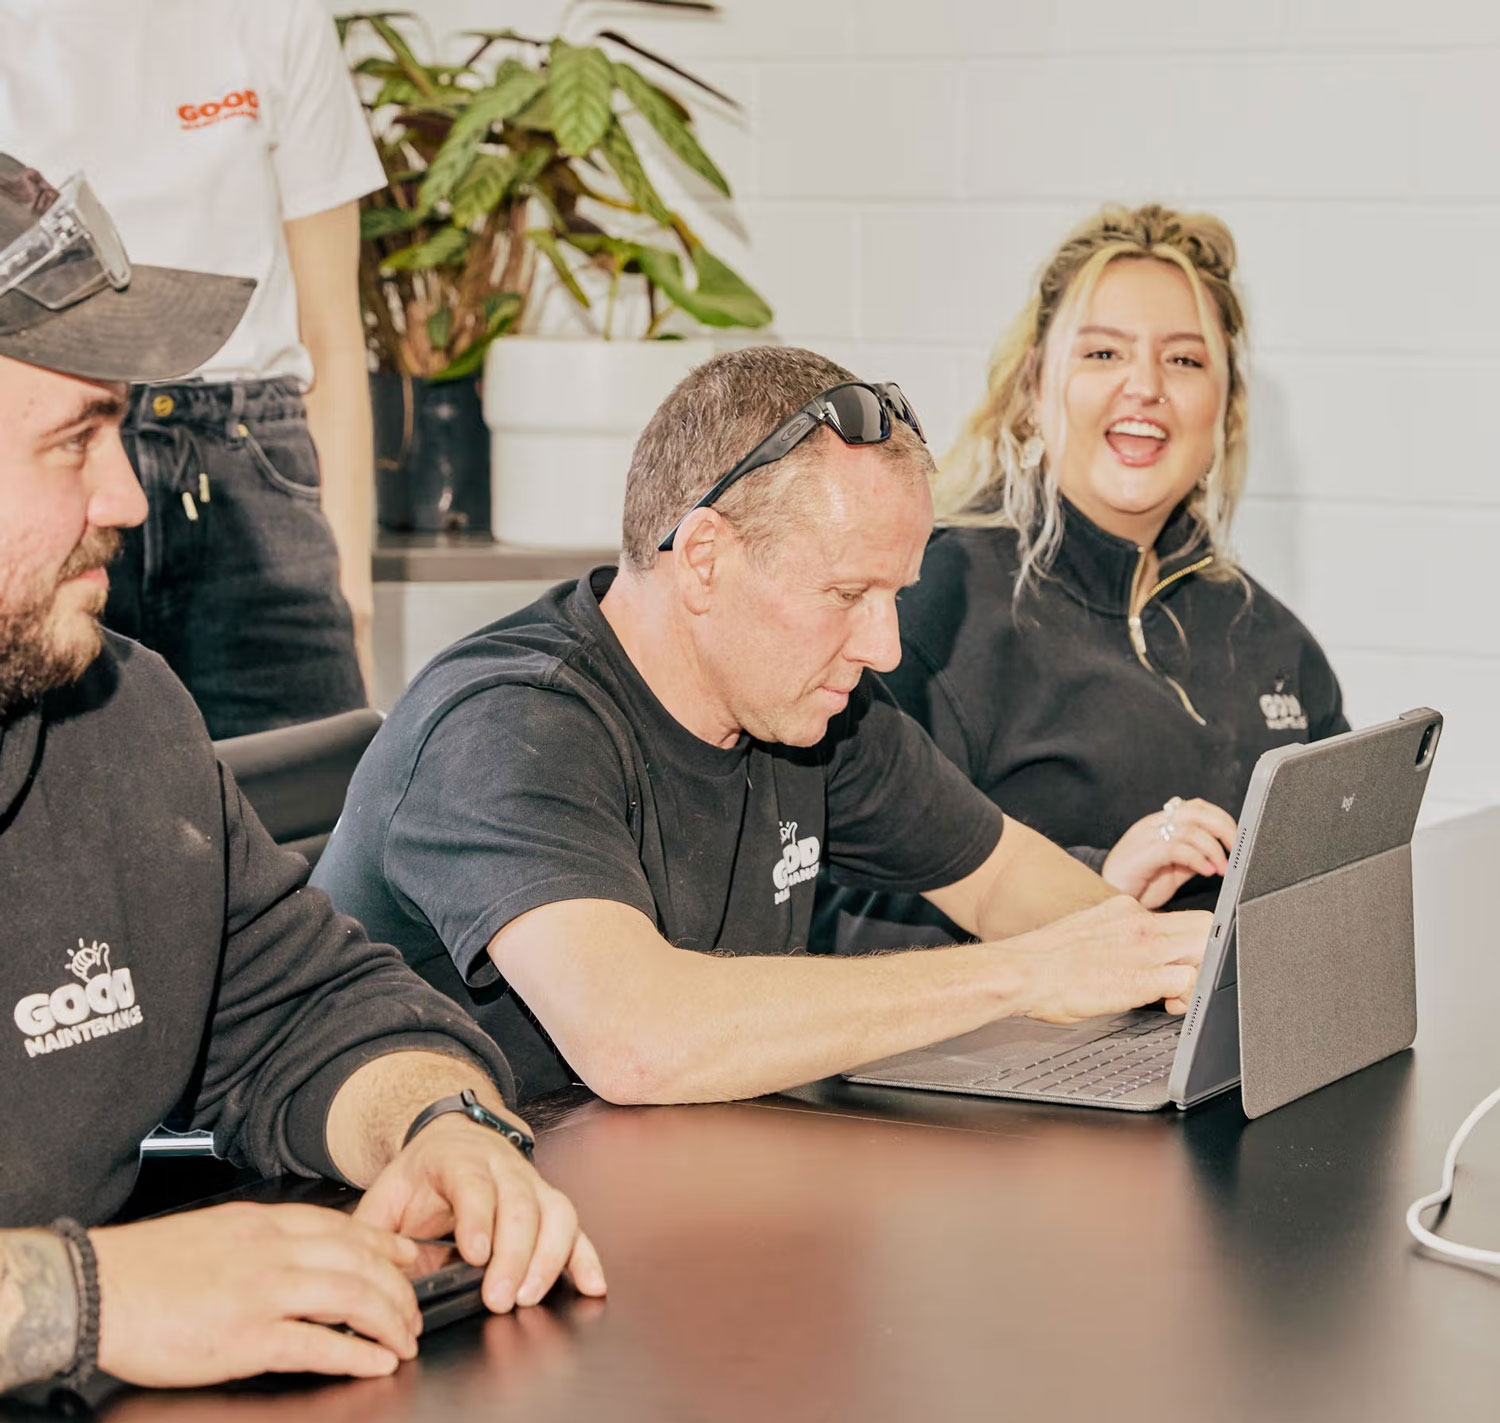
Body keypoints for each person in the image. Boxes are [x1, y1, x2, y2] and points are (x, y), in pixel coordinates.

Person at [0, 156, 604, 1400]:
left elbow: (302, 1006)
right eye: (73, 442)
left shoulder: (120, 716)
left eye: (122, 429)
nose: (126, 496)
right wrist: (94, 1300)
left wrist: (439, 1126)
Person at [312, 346, 1210, 1109]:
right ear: (704, 558)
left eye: (893, 596)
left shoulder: (815, 708)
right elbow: (639, 1039)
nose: (886, 646)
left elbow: (1000, 875)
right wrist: (1026, 974)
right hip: (403, 1239)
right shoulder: (507, 726)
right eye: (849, 594)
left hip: (647, 1195)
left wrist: (1179, 961)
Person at [815, 204, 1348, 955]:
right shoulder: (931, 601)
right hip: (995, 1065)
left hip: (1235, 1063)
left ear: (1224, 408)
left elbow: (1347, 906)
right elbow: (832, 917)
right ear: (1035, 389)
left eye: (1186, 360)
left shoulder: (1276, 644)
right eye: (1103, 354)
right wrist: (1090, 888)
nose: (1146, 386)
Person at [0, 0, 382, 736]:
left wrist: (353, 593)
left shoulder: (273, 17)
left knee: (309, 806)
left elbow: (332, 335)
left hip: (249, 463)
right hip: (47, 460)